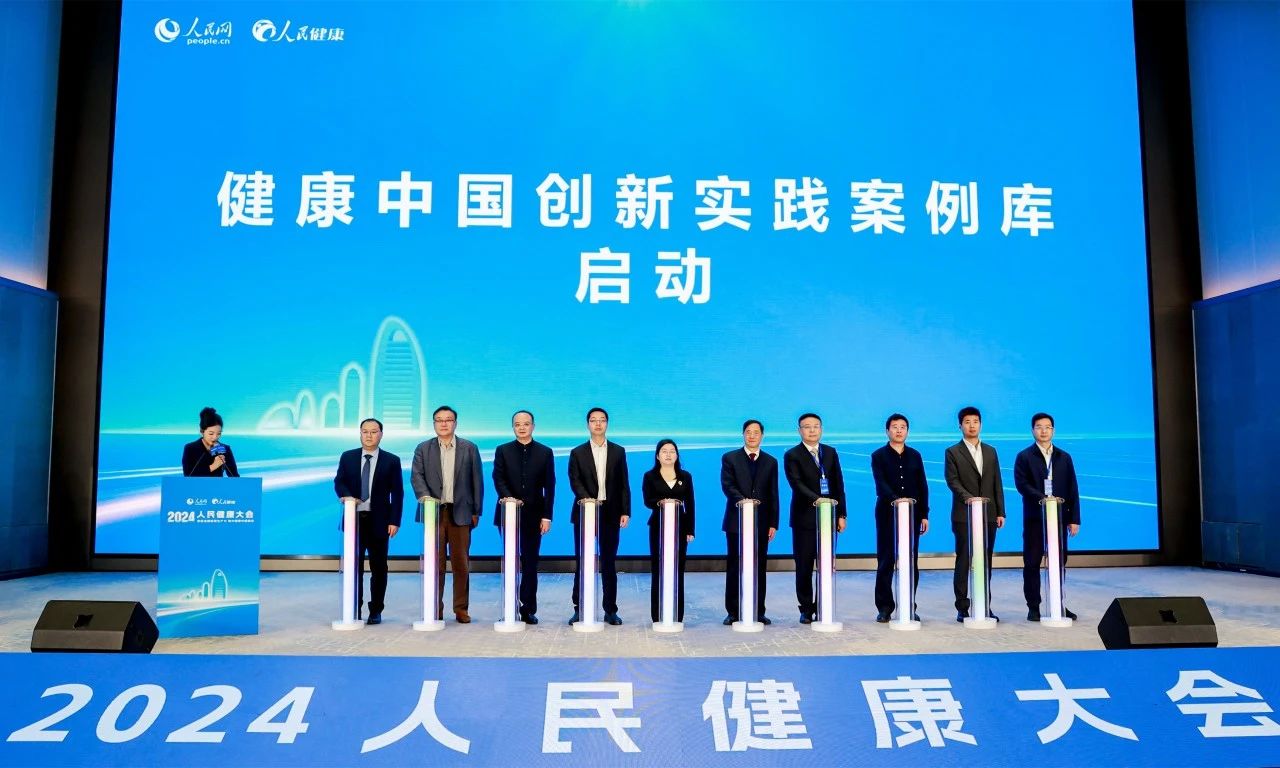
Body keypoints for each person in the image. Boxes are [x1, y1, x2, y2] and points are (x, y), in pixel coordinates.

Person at [410, 405, 484, 624]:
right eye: (439, 420)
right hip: (433, 513)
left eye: (448, 420)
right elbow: (416, 477)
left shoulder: (469, 448)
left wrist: (476, 511)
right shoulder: (423, 448)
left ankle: (461, 609)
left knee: (461, 564)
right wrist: (426, 499)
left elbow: (477, 481)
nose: (444, 423)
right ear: (434, 424)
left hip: (461, 512)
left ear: (455, 423)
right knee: (436, 564)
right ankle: (435, 607)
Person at [333, 418, 404, 624]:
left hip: (379, 521)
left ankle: (376, 610)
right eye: (365, 431)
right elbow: (339, 481)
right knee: (354, 567)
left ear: (381, 434)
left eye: (373, 431)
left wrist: (395, 521)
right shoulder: (348, 457)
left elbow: (397, 493)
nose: (369, 435)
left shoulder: (392, 460)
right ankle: (354, 607)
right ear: (360, 433)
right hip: (354, 520)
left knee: (379, 568)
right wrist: (347, 496)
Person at [1013, 412, 1081, 621]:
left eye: (1047, 427)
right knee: (1032, 562)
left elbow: (1072, 488)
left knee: (1058, 562)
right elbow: (1022, 485)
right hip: (1035, 518)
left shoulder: (1064, 457)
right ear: (1032, 430)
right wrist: (1043, 498)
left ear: (1053, 430)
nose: (1043, 431)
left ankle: (1058, 604)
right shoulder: (1024, 456)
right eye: (1039, 427)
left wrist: (1074, 519)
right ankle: (1033, 606)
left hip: (1059, 519)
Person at [567, 407, 631, 625]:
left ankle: (610, 610)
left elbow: (624, 484)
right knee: (583, 560)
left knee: (609, 562)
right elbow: (575, 480)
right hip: (585, 511)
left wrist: (625, 511)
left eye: (602, 420)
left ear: (607, 424)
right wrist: (587, 500)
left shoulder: (618, 451)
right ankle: (580, 608)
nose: (597, 424)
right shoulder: (577, 452)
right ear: (588, 424)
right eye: (593, 420)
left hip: (611, 512)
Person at [491, 410, 556, 624]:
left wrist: (547, 516)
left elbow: (550, 486)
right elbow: (498, 477)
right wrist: (509, 498)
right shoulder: (503, 450)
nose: (521, 427)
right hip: (507, 513)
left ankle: (527, 609)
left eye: (526, 424)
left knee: (530, 563)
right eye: (517, 424)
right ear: (513, 427)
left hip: (534, 516)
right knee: (511, 561)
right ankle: (510, 606)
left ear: (533, 426)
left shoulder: (545, 452)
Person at [783, 412, 847, 624]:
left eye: (816, 426)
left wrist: (842, 514)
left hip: (829, 517)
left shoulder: (830, 452)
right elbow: (796, 484)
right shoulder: (792, 454)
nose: (812, 430)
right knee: (804, 565)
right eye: (807, 427)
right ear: (799, 430)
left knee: (826, 564)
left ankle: (822, 606)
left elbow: (838, 484)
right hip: (804, 518)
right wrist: (818, 499)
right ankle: (806, 609)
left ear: (821, 429)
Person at [944, 406, 1006, 622]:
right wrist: (969, 498)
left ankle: (984, 605)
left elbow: (997, 482)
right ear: (960, 426)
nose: (972, 426)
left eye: (975, 422)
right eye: (967, 422)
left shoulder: (990, 451)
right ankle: (962, 607)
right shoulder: (952, 452)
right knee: (964, 559)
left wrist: (1000, 511)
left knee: (985, 560)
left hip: (988, 514)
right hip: (964, 514)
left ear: (980, 424)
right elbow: (952, 481)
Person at [869, 413, 930, 623]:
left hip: (913, 515)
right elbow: (881, 484)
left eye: (903, 427)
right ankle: (885, 607)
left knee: (910, 560)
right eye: (894, 427)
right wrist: (897, 500)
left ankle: (909, 605)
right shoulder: (878, 456)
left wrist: (924, 514)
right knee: (886, 560)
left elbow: (922, 486)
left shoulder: (915, 455)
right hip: (887, 513)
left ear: (907, 431)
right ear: (887, 431)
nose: (899, 430)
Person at [720, 419, 779, 626]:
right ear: (743, 434)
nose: (752, 435)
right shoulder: (730, 458)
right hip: (736, 521)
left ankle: (758, 610)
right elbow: (727, 485)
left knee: (759, 566)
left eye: (756, 432)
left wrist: (773, 523)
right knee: (735, 566)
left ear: (762, 435)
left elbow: (773, 493)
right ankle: (733, 611)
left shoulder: (771, 461)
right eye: (748, 432)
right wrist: (744, 501)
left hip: (761, 523)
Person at [642, 439, 695, 623]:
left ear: (677, 455)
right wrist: (660, 502)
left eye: (672, 451)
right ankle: (657, 615)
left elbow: (691, 504)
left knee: (677, 569)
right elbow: (647, 500)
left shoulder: (685, 476)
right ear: (657, 456)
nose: (668, 454)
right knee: (658, 569)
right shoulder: (650, 476)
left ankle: (677, 615)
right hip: (658, 526)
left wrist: (690, 529)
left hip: (680, 527)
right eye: (664, 451)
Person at [182, 407, 240, 477]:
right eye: (211, 434)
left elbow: (234, 476)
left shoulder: (224, 449)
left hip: (218, 484)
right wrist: (213, 466)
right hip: (196, 484)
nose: (215, 437)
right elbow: (187, 474)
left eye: (219, 433)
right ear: (202, 431)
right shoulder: (190, 448)